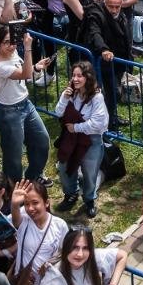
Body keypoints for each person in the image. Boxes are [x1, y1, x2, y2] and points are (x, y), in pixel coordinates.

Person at [0, 26, 50, 183]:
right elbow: (25, 74)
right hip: (9, 112)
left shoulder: (13, 52)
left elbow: (26, 72)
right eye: (6, 43)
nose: (11, 46)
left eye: (14, 42)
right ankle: (12, 190)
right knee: (13, 158)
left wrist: (36, 67)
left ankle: (32, 177)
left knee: (42, 142)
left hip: (26, 105)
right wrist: (28, 48)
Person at [54, 59, 111, 219]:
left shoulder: (97, 97)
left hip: (91, 141)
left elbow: (98, 124)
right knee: (64, 167)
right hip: (71, 139)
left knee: (89, 173)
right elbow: (58, 112)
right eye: (74, 75)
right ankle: (70, 194)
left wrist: (77, 127)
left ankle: (89, 199)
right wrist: (64, 98)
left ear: (88, 77)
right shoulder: (70, 93)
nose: (76, 79)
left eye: (80, 76)